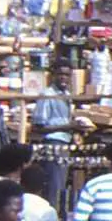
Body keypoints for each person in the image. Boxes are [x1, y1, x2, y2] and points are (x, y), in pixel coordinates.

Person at [32, 64, 75, 213]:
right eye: (60, 74)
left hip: (65, 142)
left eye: (67, 75)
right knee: (53, 185)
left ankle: (59, 215)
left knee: (62, 184)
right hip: (53, 143)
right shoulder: (47, 94)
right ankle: (51, 215)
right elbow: (39, 126)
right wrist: (67, 126)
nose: (63, 78)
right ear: (54, 75)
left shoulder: (67, 95)